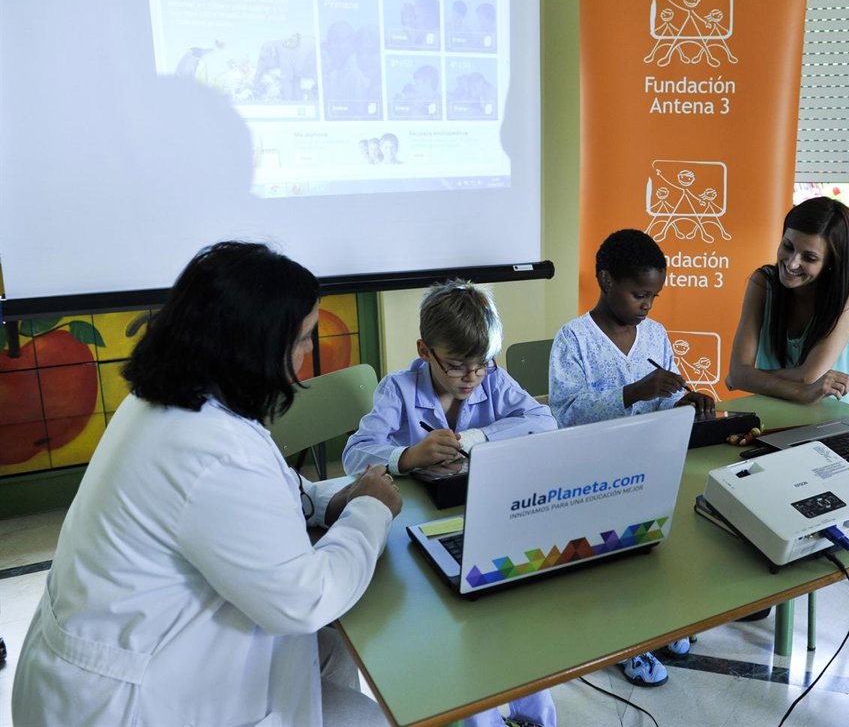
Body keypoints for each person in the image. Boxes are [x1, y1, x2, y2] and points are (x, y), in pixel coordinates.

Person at [12, 241, 403, 727]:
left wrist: (333, 500)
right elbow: (305, 600)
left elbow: (269, 494)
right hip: (123, 702)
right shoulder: (212, 449)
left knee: (331, 652)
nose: (308, 354)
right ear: (257, 348)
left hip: (123, 648)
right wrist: (371, 510)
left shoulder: (173, 400)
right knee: (367, 717)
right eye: (304, 338)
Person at [342, 279, 556, 727]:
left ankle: (533, 715)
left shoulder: (493, 379)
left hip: (486, 518)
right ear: (425, 350)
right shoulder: (398, 389)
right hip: (420, 528)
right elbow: (355, 454)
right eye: (458, 367)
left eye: (482, 364)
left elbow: (543, 420)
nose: (472, 378)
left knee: (518, 627)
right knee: (455, 634)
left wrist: (479, 437)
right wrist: (407, 456)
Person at [548, 228, 713, 687]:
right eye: (640, 294)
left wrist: (684, 400)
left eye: (654, 297)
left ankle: (655, 626)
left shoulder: (654, 335)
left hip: (648, 464)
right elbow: (566, 413)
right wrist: (633, 391)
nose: (647, 306)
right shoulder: (574, 339)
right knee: (612, 560)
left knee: (652, 552)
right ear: (606, 280)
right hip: (591, 472)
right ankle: (624, 643)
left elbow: (664, 396)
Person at [727, 196, 849, 407]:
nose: (792, 263)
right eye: (787, 246)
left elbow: (810, 376)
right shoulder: (763, 283)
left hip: (834, 424)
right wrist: (801, 392)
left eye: (809, 258)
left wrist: (749, 377)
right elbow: (739, 373)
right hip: (771, 422)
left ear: (832, 262)